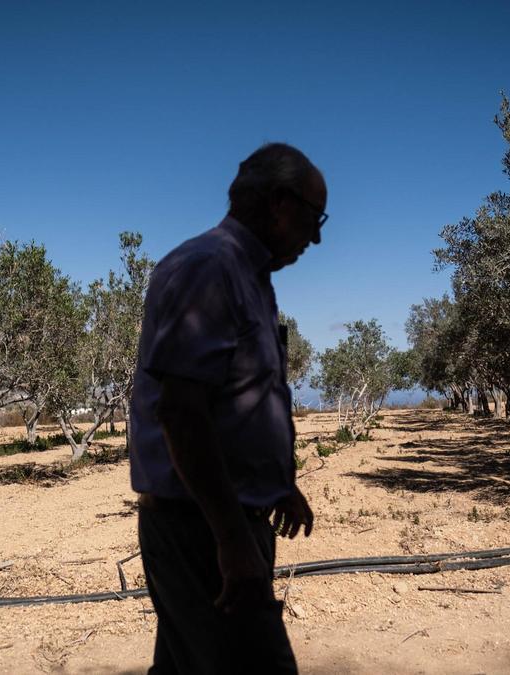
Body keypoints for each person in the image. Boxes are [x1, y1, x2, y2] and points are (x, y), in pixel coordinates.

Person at [129, 142, 326, 674]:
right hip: (200, 527)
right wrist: (232, 538)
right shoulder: (209, 269)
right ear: (280, 203)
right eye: (316, 217)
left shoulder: (248, 278)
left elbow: (237, 401)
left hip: (217, 521)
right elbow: (182, 413)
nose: (318, 236)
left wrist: (277, 483)